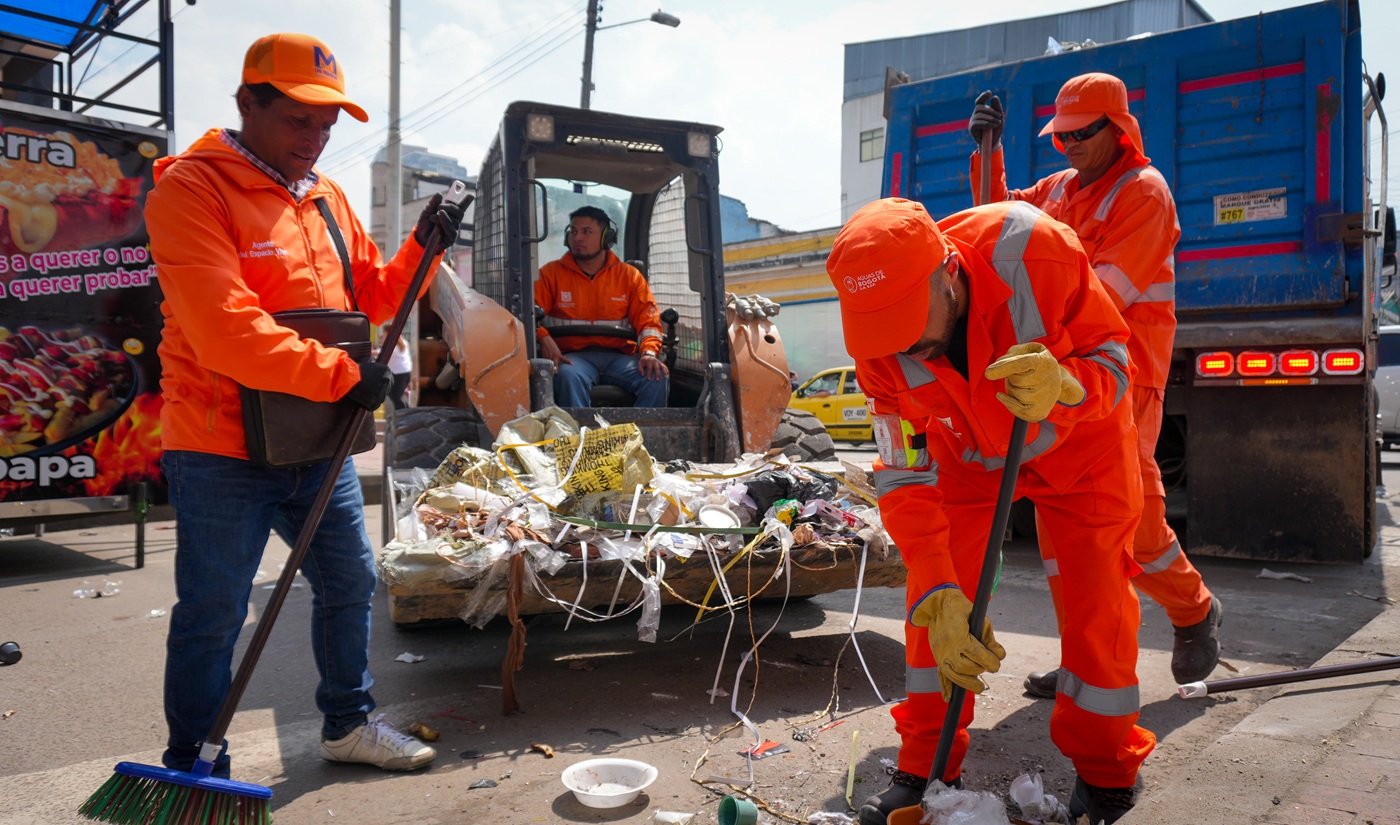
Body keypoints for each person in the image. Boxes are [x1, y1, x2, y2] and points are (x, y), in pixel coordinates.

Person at [145, 32, 465, 779]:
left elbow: (372, 299)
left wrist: (423, 248)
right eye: (299, 119)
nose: (316, 138)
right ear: (247, 103)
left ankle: (348, 723)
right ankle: (192, 759)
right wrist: (342, 377)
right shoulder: (191, 189)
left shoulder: (326, 198)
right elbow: (224, 329)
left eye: (327, 124)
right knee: (214, 612)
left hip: (318, 438)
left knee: (349, 582)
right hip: (221, 446)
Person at [829, 198, 1154, 825]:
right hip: (968, 456)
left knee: (1097, 603)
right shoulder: (878, 349)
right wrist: (937, 583)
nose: (904, 346)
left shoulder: (1037, 253)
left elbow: (1115, 361)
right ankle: (927, 761)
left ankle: (1108, 772)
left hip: (1081, 445)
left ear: (948, 273)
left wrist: (1068, 385)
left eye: (908, 320)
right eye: (883, 328)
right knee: (935, 602)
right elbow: (903, 472)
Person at [968, 72, 1222, 696]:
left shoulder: (1145, 194)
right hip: (1063, 373)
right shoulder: (1058, 189)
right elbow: (998, 220)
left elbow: (1103, 298)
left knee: (1128, 520)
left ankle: (1193, 610)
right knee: (1069, 527)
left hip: (1123, 376)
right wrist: (988, 153)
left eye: (1083, 133)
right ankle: (1086, 657)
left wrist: (1026, 343)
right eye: (1062, 136)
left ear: (1120, 128)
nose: (1071, 145)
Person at [535, 206, 668, 406]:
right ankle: (578, 428)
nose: (577, 238)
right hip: (571, 358)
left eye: (586, 231)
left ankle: (643, 428)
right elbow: (530, 315)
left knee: (656, 376)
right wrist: (543, 337)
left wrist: (649, 353)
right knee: (568, 376)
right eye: (573, 231)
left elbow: (649, 322)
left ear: (607, 237)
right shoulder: (550, 274)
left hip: (619, 357)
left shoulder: (629, 277)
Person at [386, 329, 413, 410]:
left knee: (396, 396)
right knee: (396, 395)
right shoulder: (404, 342)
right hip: (405, 373)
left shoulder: (392, 346)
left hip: (399, 374)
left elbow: (383, 354)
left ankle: (404, 412)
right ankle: (406, 411)